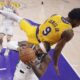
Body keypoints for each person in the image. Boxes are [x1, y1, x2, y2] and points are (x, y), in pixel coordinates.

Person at [0, 8, 80, 75]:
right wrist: (55, 64)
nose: (78, 25)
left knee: (18, 19)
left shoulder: (56, 15)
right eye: (79, 22)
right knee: (30, 57)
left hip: (33, 30)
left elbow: (45, 25)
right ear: (76, 20)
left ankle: (1, 11)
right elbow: (57, 49)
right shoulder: (69, 32)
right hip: (38, 44)